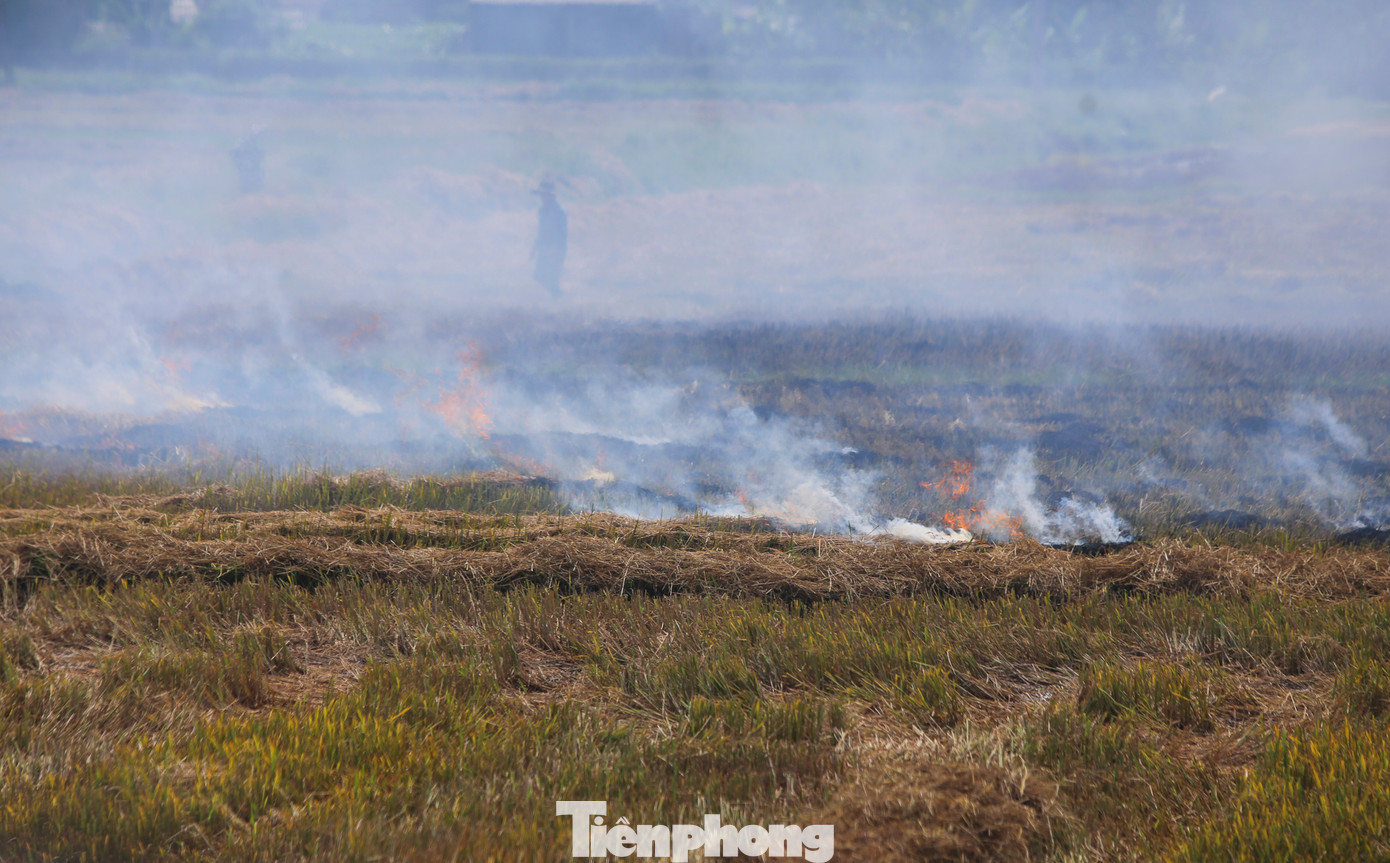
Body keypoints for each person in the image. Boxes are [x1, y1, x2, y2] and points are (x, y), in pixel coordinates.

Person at [531, 178, 567, 297]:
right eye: (541, 195)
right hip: (544, 248)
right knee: (539, 275)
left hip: (555, 249)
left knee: (552, 277)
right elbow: (541, 231)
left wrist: (557, 249)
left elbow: (562, 234)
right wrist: (535, 247)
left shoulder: (559, 212)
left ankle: (558, 300)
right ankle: (557, 296)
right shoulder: (542, 210)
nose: (542, 197)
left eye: (544, 195)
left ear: (550, 196)